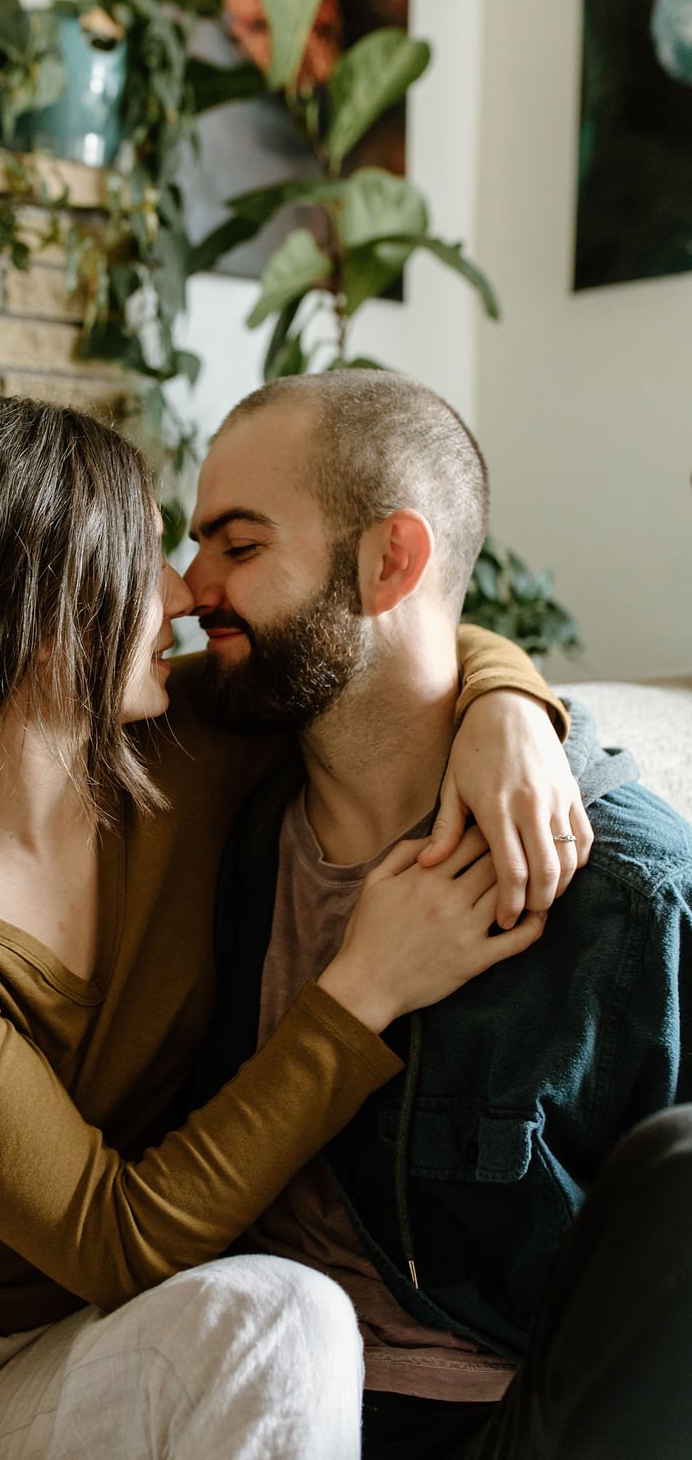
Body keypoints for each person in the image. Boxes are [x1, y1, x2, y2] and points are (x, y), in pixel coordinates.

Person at [0, 390, 580, 1460]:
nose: (184, 597)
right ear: (40, 611)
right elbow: (114, 1238)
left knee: (285, 1321)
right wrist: (362, 992)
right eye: (142, 559)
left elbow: (388, 644)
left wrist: (510, 711)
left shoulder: (183, 739)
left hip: (62, 1350)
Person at [180, 371, 692, 1457]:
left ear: (388, 563)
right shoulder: (209, 807)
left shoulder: (628, 899)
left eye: (237, 545)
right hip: (220, 1359)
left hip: (486, 1420)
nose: (189, 589)